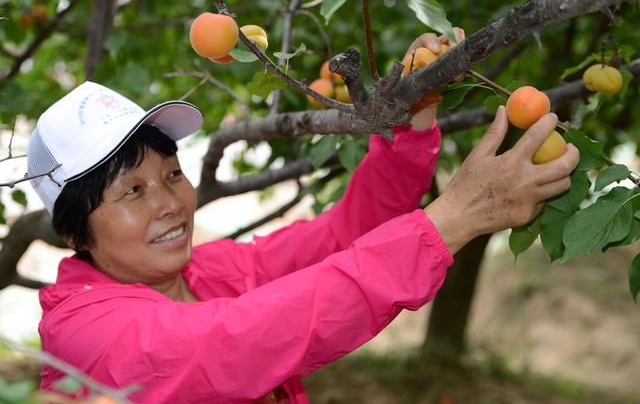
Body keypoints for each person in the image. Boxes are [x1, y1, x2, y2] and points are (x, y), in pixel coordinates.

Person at [29, 31, 579, 403]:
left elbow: (343, 238)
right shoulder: (87, 337)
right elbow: (239, 341)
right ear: (76, 231)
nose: (169, 203)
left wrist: (411, 125)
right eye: (132, 192)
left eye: (172, 174)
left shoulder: (208, 272)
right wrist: (453, 218)